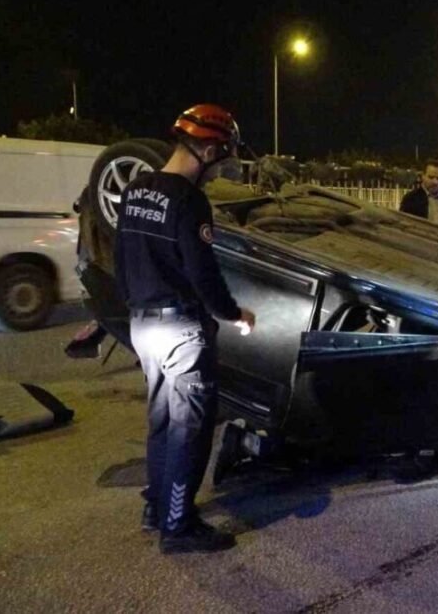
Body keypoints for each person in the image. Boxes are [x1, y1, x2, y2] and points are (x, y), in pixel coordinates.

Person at [115, 104, 257, 554]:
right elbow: (203, 273)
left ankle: (156, 507)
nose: (219, 172)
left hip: (143, 324)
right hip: (181, 330)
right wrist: (234, 314)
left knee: (161, 419)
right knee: (191, 429)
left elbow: (119, 261)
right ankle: (179, 527)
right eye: (221, 160)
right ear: (210, 149)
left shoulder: (135, 190)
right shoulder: (189, 200)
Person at [398, 159, 438, 227]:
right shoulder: (411, 198)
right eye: (431, 177)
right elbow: (403, 226)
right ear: (423, 176)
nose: (435, 182)